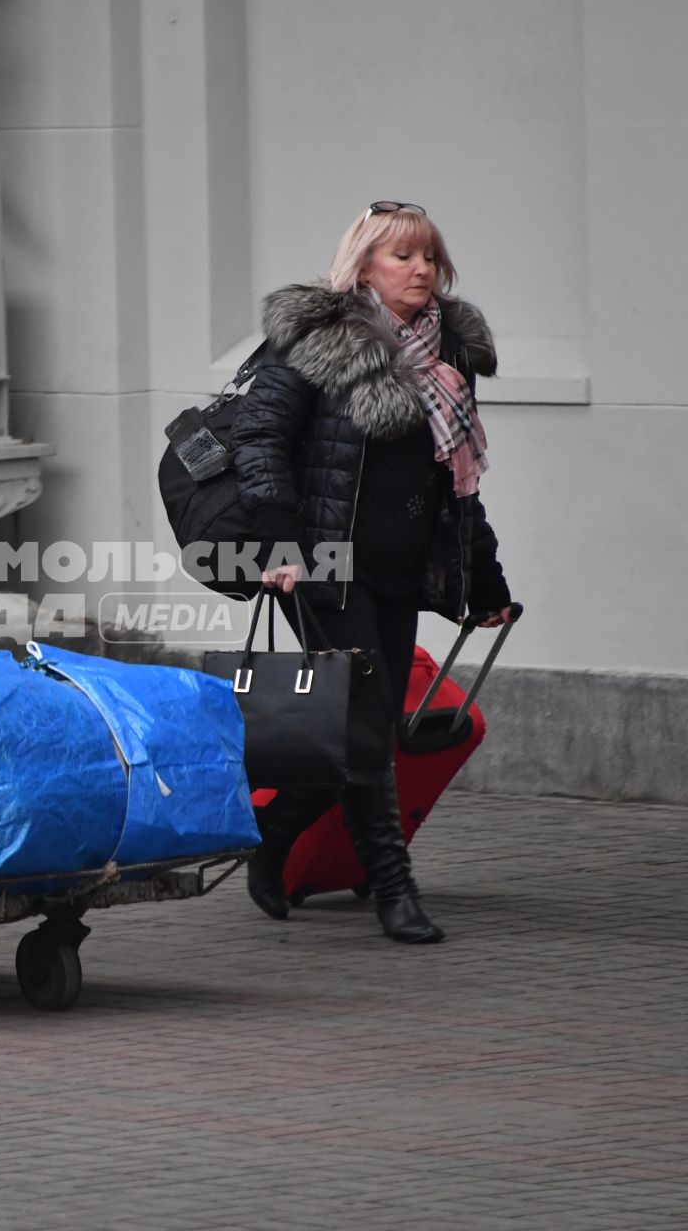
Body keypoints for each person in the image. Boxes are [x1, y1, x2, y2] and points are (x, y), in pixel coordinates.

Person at [229, 201, 516, 945]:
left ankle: (271, 832)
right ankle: (395, 887)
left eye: (428, 256)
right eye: (402, 257)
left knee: (370, 728)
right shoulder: (317, 339)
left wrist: (483, 584)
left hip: (397, 568)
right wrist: (279, 544)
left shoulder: (448, 353)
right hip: (326, 565)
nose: (420, 270)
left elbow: (456, 488)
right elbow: (259, 439)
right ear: (362, 267)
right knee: (362, 722)